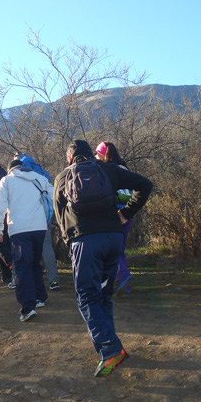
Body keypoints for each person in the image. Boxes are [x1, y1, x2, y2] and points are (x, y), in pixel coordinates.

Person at [53, 140, 152, 377]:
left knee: (87, 296)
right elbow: (145, 185)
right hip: (113, 239)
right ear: (91, 155)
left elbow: (59, 215)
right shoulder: (108, 170)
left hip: (85, 241)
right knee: (104, 295)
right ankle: (111, 345)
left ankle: (109, 350)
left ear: (69, 159)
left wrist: (69, 240)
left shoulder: (62, 177)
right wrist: (126, 213)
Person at [0, 159, 53, 322]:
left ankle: (28, 306)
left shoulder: (7, 180)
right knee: (35, 263)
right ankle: (40, 297)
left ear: (10, 169)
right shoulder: (39, 178)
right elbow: (53, 198)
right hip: (40, 227)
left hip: (19, 229)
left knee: (22, 266)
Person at [14, 152, 60, 290]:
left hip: (24, 218)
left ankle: (17, 280)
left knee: (20, 248)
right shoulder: (41, 172)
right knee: (46, 246)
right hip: (44, 215)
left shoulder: (16, 175)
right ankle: (53, 281)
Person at [95, 141, 134, 295]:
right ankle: (125, 284)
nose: (95, 156)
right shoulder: (124, 168)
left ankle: (122, 277)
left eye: (97, 153)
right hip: (127, 214)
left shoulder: (106, 170)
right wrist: (128, 212)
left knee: (109, 249)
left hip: (111, 214)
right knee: (120, 248)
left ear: (103, 154)